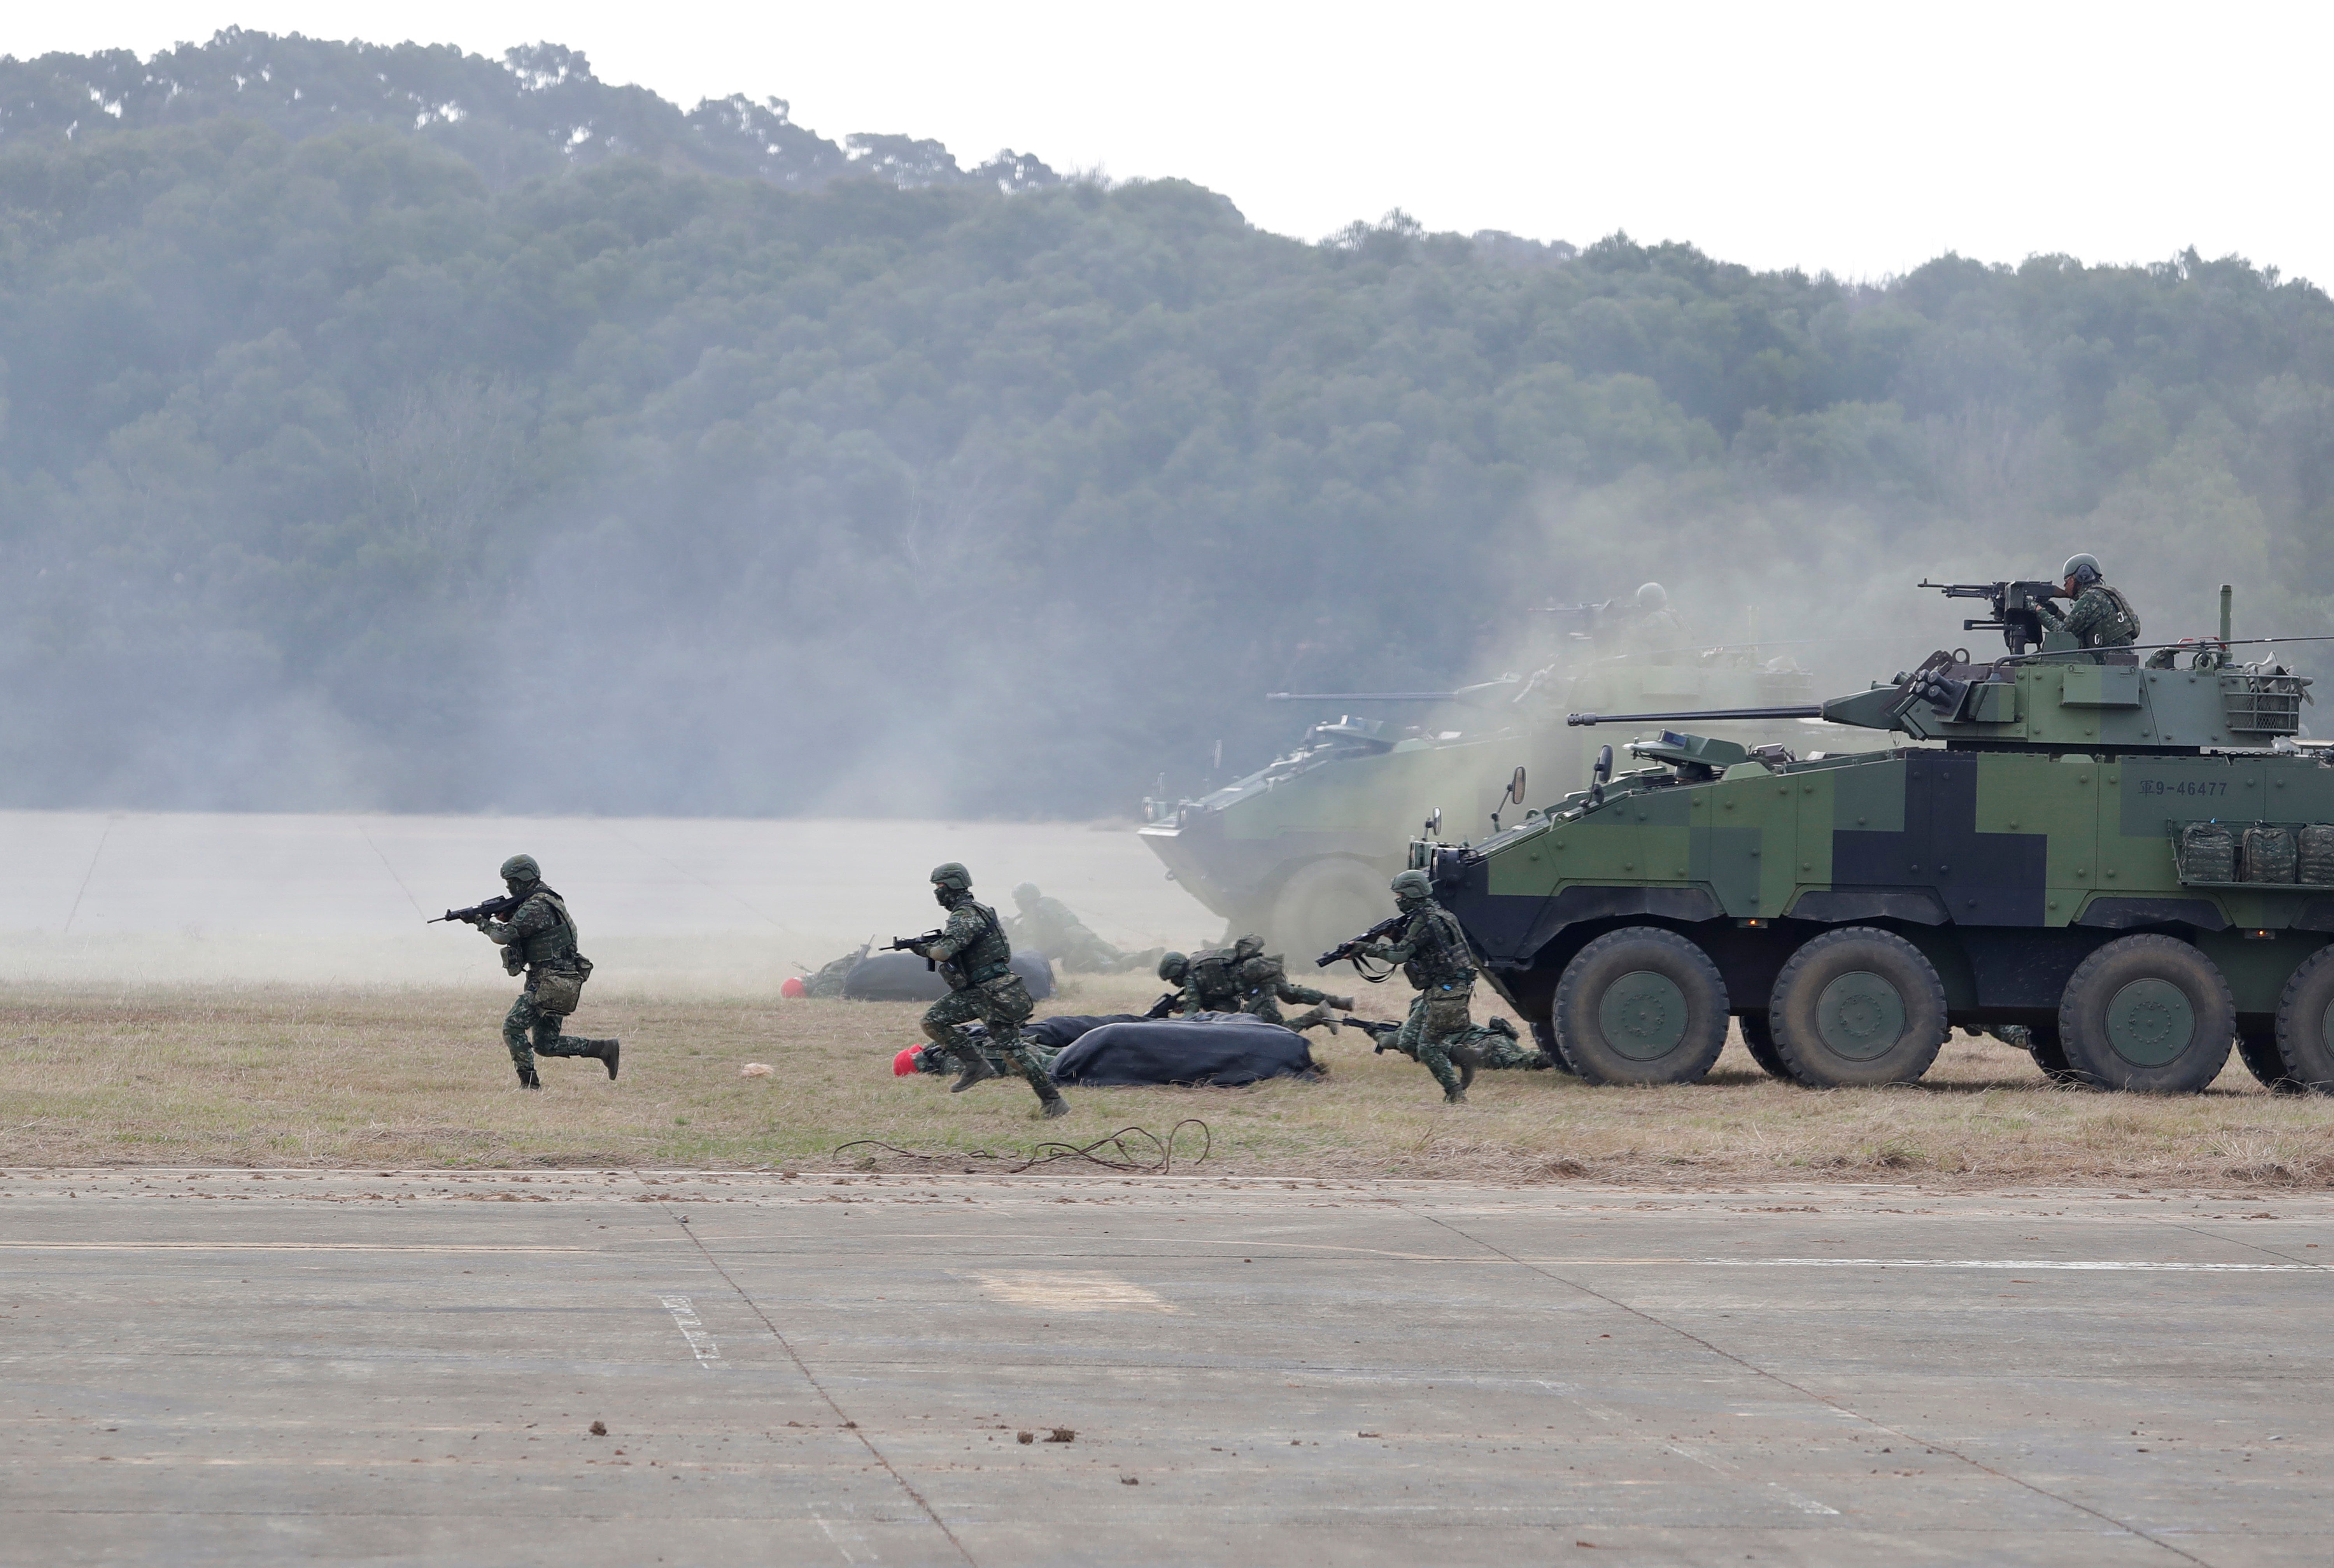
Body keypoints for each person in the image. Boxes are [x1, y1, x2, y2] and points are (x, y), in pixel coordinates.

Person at [910, 863, 1069, 1119]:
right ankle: (1052, 1100)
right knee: (1014, 1052)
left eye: (940, 887)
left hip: (988, 992)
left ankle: (975, 1065)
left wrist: (923, 949)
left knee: (934, 1021)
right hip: (994, 991)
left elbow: (943, 952)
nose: (938, 893)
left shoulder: (965, 915)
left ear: (952, 886)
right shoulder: (977, 912)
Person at [468, 854, 619, 1089]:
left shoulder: (537, 906)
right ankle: (604, 1049)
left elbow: (504, 936)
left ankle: (530, 1086)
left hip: (552, 982)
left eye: (511, 881)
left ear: (524, 878)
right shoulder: (544, 898)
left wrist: (482, 923)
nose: (508, 887)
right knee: (546, 1045)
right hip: (558, 980)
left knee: (513, 1026)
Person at [1349, 870, 1482, 1103]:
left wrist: (1364, 949)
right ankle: (1464, 1057)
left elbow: (1399, 955)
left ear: (1412, 894)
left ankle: (1456, 1094)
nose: (1398, 899)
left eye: (1400, 895)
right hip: (1438, 990)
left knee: (1428, 1048)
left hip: (1449, 992)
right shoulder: (1436, 914)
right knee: (1408, 1041)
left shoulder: (1426, 921)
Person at [1005, 883, 1159, 973]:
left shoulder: (1032, 913)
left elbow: (1035, 943)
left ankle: (1145, 959)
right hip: (1083, 937)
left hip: (1075, 947)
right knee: (1116, 955)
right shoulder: (1047, 903)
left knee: (1109, 968)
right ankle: (1149, 959)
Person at [2035, 553, 2140, 661]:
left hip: (2107, 665)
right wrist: (2056, 612)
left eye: (2067, 580)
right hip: (2118, 662)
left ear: (2082, 575)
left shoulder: (2092, 598)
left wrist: (2038, 610)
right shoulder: (2104, 594)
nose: (2065, 586)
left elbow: (2064, 633)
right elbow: (2075, 627)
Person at [1235, 943, 1354, 1034]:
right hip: (1263, 971)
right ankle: (1338, 1002)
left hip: (1257, 989)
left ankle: (1317, 1015)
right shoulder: (1226, 962)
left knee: (1276, 1032)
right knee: (1290, 995)